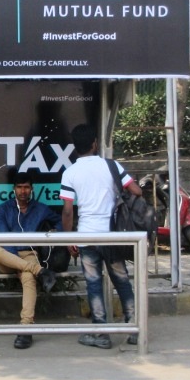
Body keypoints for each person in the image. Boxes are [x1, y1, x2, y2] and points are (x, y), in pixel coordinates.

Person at [59, 125, 141, 349]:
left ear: (75, 147)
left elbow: (68, 211)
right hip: (112, 235)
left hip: (87, 236)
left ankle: (101, 333)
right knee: (122, 281)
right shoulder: (111, 165)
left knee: (93, 285)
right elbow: (136, 191)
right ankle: (134, 327)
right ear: (94, 144)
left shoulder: (70, 173)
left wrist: (69, 239)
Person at [0, 171, 61, 349]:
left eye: (26, 187)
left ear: (31, 189)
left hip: (29, 254)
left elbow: (59, 221)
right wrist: (18, 264)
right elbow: (4, 239)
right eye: (19, 187)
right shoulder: (4, 208)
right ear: (14, 189)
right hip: (8, 255)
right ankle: (40, 271)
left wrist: (54, 233)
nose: (23, 191)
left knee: (28, 278)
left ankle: (26, 328)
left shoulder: (41, 208)